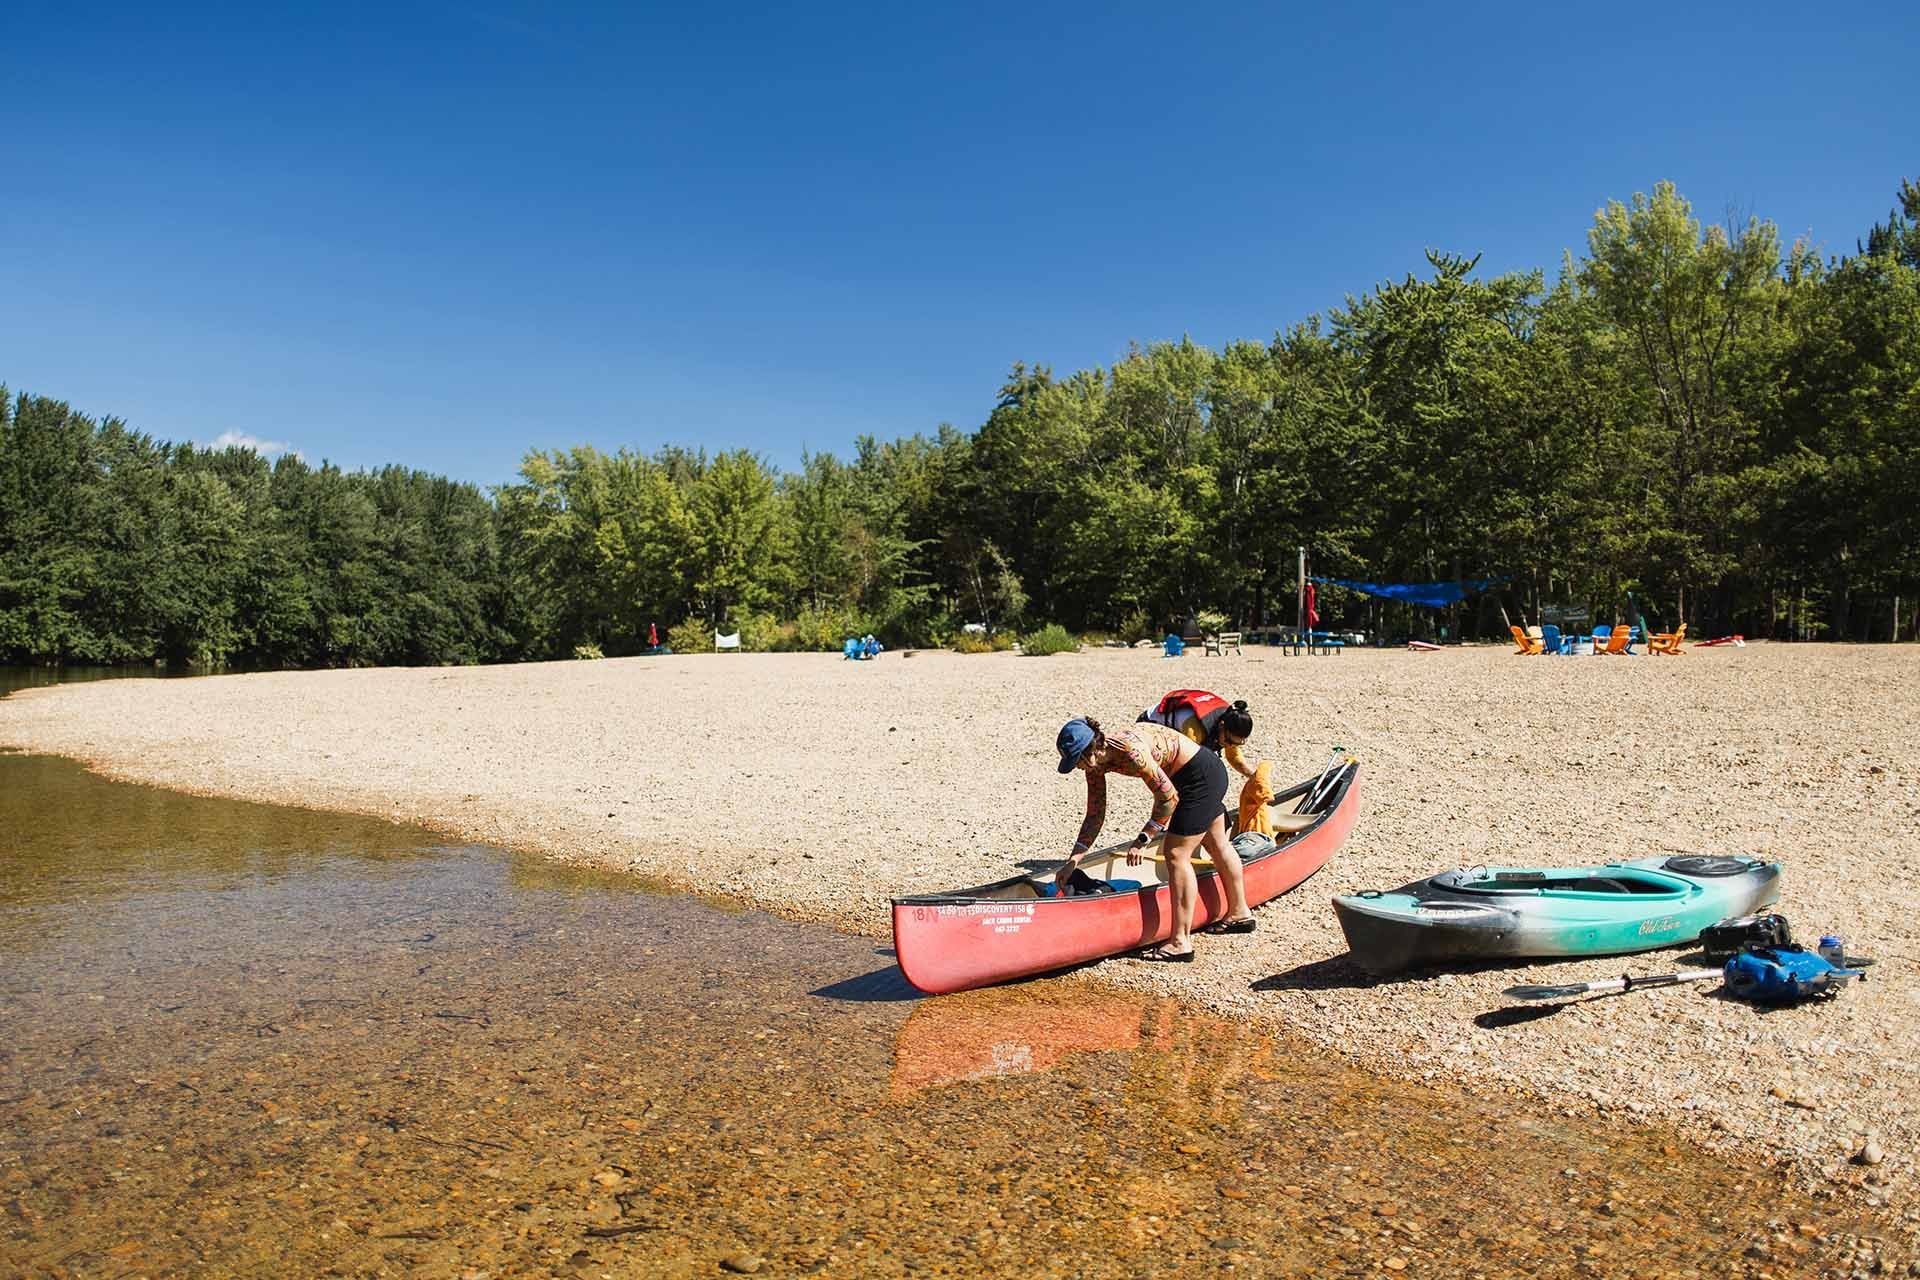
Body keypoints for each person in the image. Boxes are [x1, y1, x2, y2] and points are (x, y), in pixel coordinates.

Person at [1053, 716, 1255, 961]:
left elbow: (1168, 799)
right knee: (1215, 842)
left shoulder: (1130, 751)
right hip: (1194, 774)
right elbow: (1095, 814)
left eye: (1077, 761)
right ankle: (1239, 914)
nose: (1077, 767)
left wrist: (1143, 838)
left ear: (1092, 749)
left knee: (1176, 854)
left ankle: (1180, 942)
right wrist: (1073, 861)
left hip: (1199, 777)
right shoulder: (1095, 765)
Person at [1138, 690, 1259, 780]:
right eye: (1229, 742)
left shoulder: (1231, 722)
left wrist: (1254, 777)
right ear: (1221, 725)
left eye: (1236, 743)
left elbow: (1234, 758)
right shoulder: (1195, 730)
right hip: (1148, 728)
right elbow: (1186, 766)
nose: (1230, 746)